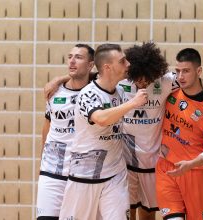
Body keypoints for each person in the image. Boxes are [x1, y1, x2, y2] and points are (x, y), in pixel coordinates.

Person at [120, 42, 203, 220]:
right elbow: (89, 76)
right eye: (138, 78)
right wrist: (58, 80)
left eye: (147, 78)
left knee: (148, 213)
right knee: (126, 213)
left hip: (151, 162)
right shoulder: (120, 81)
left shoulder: (165, 81)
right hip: (125, 162)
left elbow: (201, 81)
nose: (142, 82)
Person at [59, 44, 148, 220]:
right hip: (84, 176)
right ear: (107, 67)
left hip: (115, 175)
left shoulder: (121, 89)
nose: (128, 64)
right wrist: (133, 104)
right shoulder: (88, 94)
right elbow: (100, 118)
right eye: (122, 61)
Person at [156, 48, 203, 220]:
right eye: (178, 71)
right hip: (166, 169)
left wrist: (191, 163)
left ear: (199, 71)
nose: (180, 76)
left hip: (196, 173)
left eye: (186, 71)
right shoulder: (170, 92)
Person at [36, 44, 95, 220]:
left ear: (90, 64)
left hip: (82, 173)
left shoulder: (97, 92)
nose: (72, 60)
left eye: (78, 57)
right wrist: (42, 158)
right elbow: (47, 126)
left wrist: (58, 78)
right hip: (52, 171)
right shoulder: (54, 93)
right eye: (70, 56)